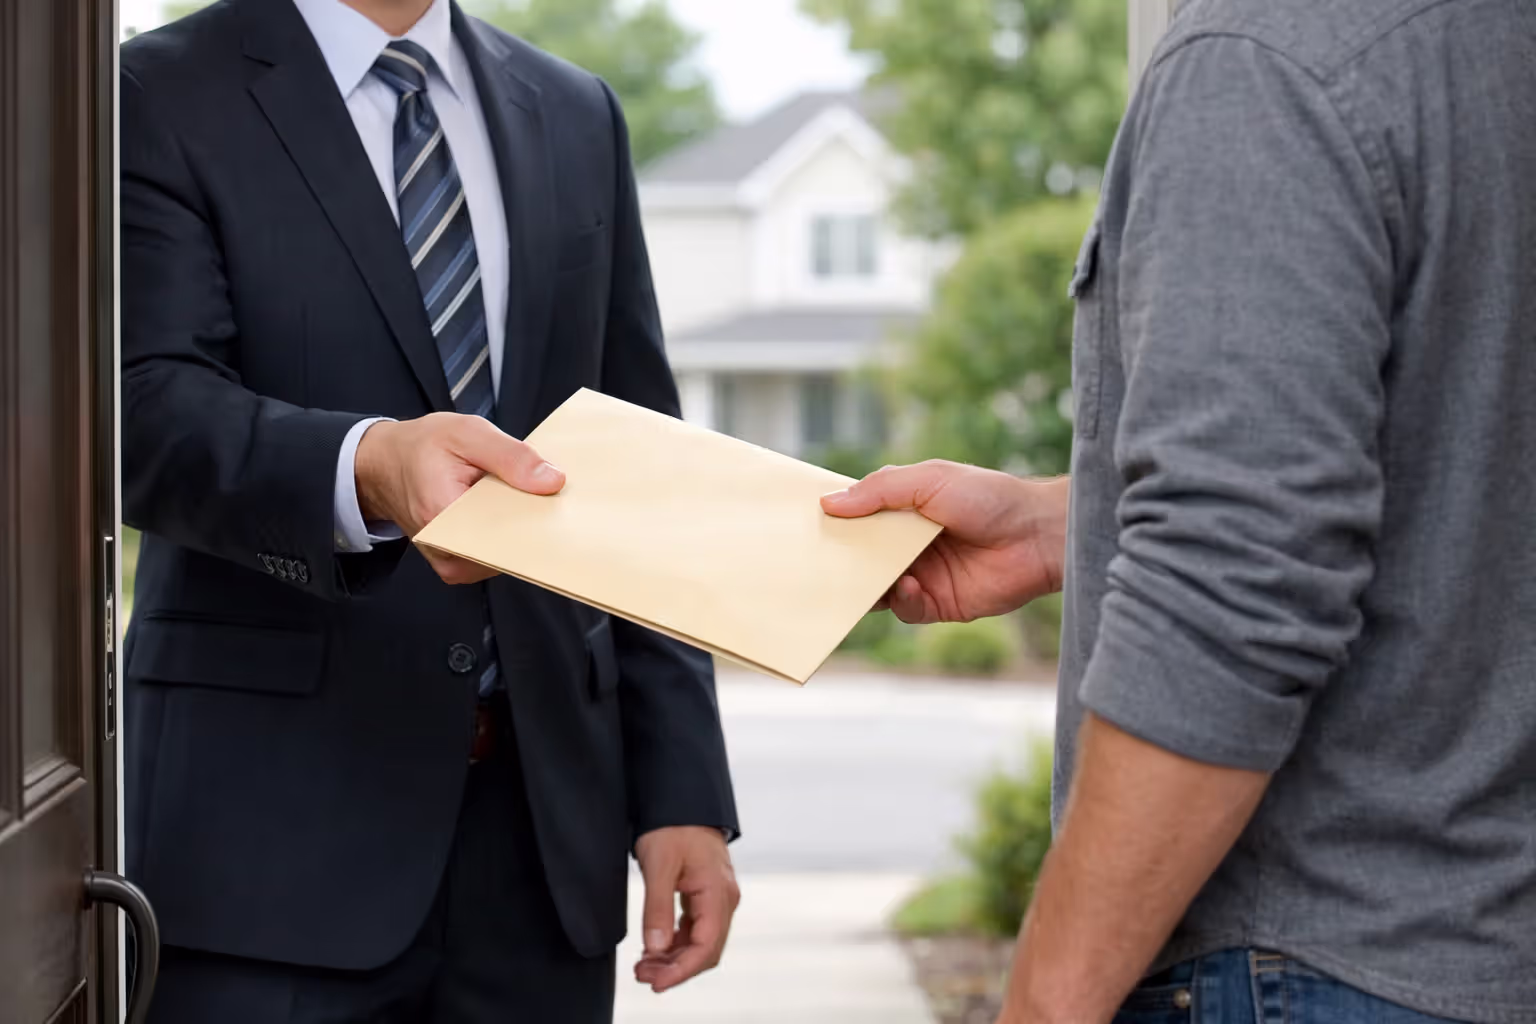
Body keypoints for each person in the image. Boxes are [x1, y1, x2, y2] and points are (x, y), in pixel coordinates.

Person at [825, 0, 1536, 1021]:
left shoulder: (1260, 58)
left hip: (1309, 961)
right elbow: (1464, 461)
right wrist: (1068, 519)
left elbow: (1235, 590)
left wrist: (1043, 1004)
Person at [120, 0, 739, 1020]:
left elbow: (637, 456)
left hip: (543, 857)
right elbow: (140, 409)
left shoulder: (576, 111)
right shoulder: (155, 91)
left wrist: (682, 793)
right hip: (268, 855)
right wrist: (366, 465)